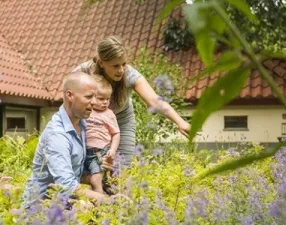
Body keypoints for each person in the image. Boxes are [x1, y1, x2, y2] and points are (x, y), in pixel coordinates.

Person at [73, 35, 190, 166]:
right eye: (115, 65)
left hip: (121, 121)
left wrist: (180, 122)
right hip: (91, 122)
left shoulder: (130, 75)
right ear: (101, 63)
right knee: (92, 167)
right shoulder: (83, 72)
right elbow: (69, 99)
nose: (121, 70)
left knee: (120, 167)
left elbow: (154, 100)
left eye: (124, 64)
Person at [22, 72, 112, 208]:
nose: (94, 102)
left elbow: (74, 172)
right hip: (38, 211)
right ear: (70, 95)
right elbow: (66, 185)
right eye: (88, 97)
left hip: (60, 202)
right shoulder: (57, 135)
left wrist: (94, 175)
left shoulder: (81, 123)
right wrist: (106, 200)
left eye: (94, 96)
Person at [85, 75, 120, 194]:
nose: (105, 102)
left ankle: (100, 205)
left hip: (101, 151)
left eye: (107, 99)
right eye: (101, 99)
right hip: (85, 151)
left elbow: (116, 133)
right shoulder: (86, 110)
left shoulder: (109, 114)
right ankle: (108, 193)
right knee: (91, 179)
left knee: (96, 179)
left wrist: (113, 150)